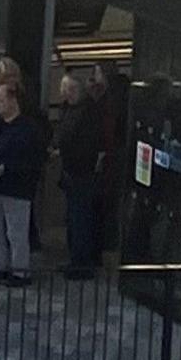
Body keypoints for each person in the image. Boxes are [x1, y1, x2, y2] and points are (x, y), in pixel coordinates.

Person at [0, 79, 50, 284]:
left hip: (16, 188)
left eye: (0, 100)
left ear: (13, 101)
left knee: (16, 231)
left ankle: (20, 270)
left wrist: (10, 167)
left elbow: (35, 159)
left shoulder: (28, 129)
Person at [54, 65, 117, 279]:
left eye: (70, 89)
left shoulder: (88, 112)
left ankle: (83, 263)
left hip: (83, 171)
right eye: (64, 89)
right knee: (74, 219)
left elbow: (88, 143)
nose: (65, 94)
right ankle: (76, 259)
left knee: (82, 219)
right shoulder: (68, 109)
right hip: (71, 170)